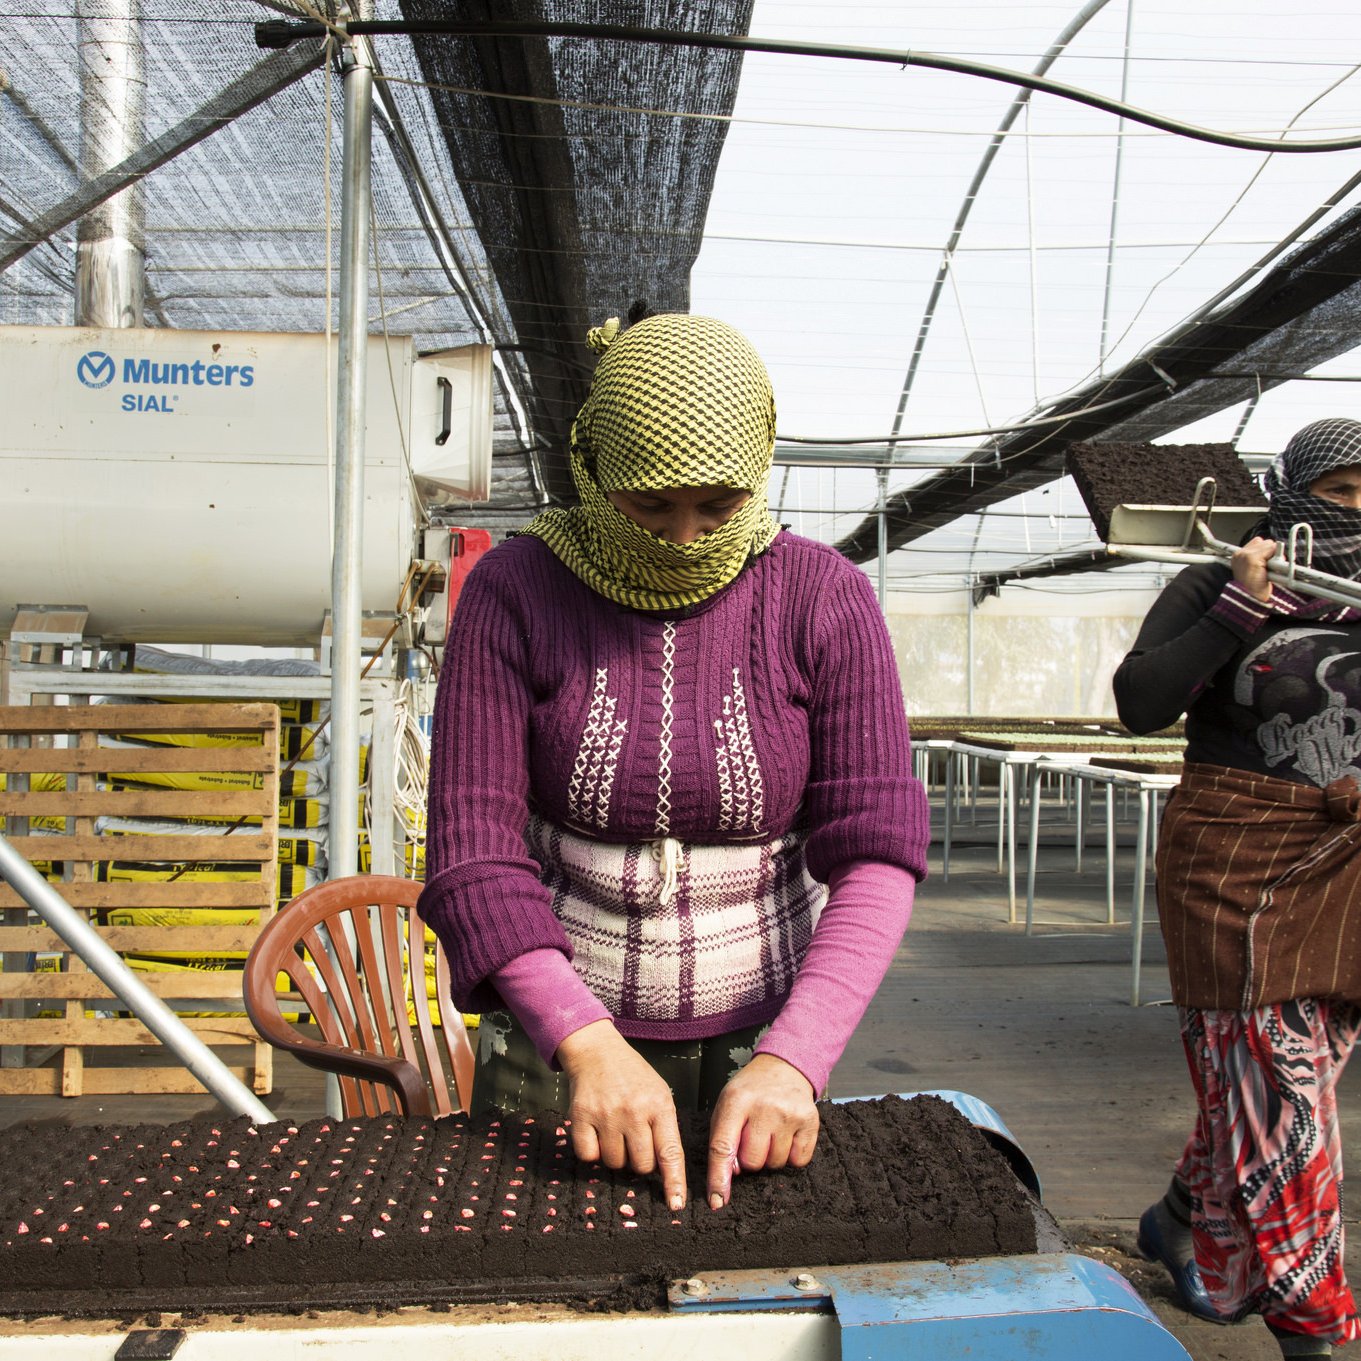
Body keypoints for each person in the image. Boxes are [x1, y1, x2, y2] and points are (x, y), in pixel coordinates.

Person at [417, 311, 929, 1214]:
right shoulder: (514, 592)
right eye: (648, 505)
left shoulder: (825, 599)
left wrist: (794, 1057)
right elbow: (473, 852)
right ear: (592, 465)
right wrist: (584, 1041)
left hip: (764, 1042)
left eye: (717, 504)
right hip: (556, 1051)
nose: (683, 536)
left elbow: (876, 855)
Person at [1114, 416, 1361, 1360]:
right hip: (1237, 862)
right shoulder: (1218, 579)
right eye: (1339, 492)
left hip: (1345, 864)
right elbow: (1140, 703)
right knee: (1285, 1094)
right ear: (1291, 490)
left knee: (1272, 1085)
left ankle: (1175, 1213)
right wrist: (1240, 610)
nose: (1354, 511)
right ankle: (1313, 1331)